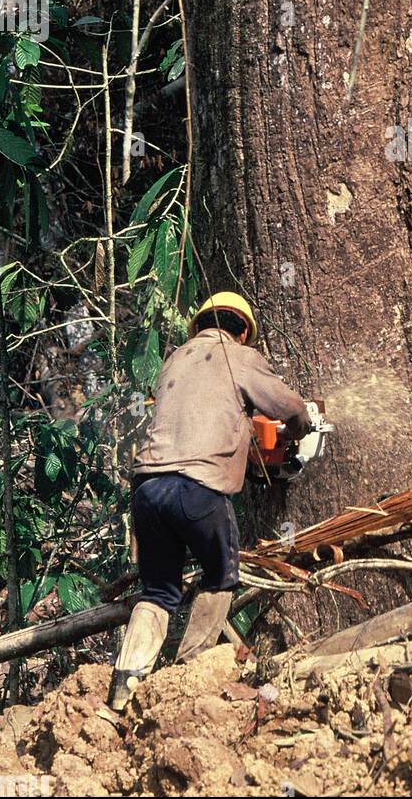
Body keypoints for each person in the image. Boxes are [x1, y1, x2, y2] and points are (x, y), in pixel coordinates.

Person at [108, 292, 312, 712]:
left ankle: (125, 683)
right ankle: (189, 676)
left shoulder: (174, 360)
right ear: (242, 331)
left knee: (158, 592)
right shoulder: (238, 355)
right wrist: (302, 428)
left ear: (199, 326)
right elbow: (289, 408)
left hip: (147, 488)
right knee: (220, 575)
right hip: (198, 487)